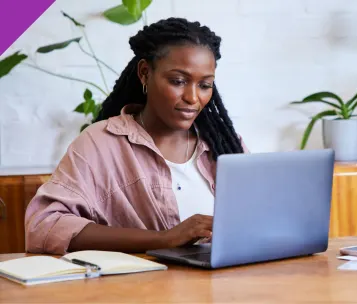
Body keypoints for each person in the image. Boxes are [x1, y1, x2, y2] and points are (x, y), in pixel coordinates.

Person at [24, 17, 248, 255]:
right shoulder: (100, 143)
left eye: (205, 85)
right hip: (143, 289)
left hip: (228, 286)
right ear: (144, 73)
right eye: (178, 81)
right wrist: (164, 239)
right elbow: (44, 226)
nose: (193, 98)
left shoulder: (225, 145)